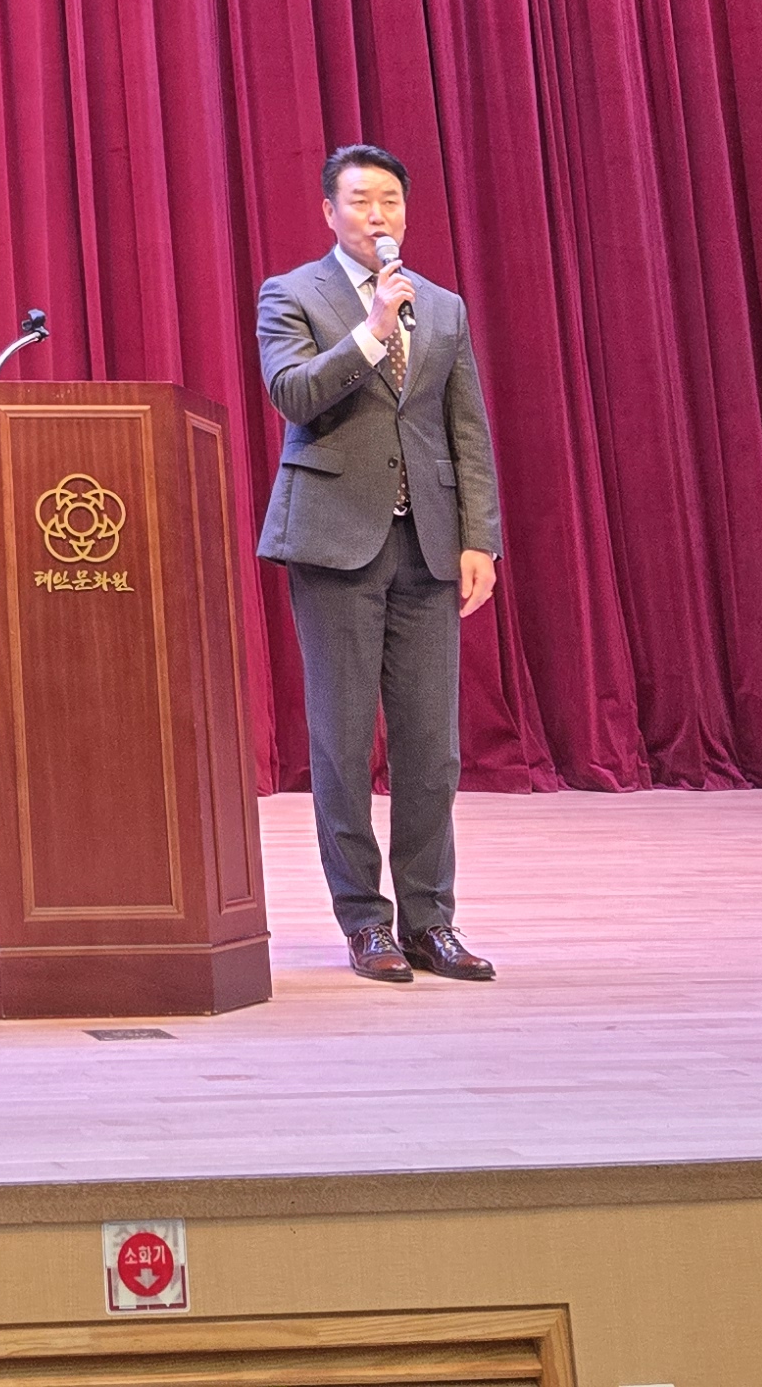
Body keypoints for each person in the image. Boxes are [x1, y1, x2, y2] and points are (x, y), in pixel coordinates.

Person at [256, 144, 501, 984]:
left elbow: (466, 429)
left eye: (390, 200)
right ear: (330, 213)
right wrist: (371, 332)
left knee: (431, 748)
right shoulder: (292, 294)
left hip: (426, 543)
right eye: (361, 200)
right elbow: (292, 393)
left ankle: (431, 921)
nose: (378, 215)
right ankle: (365, 921)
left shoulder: (443, 306)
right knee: (342, 742)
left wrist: (479, 537)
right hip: (334, 541)